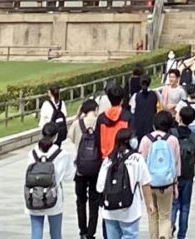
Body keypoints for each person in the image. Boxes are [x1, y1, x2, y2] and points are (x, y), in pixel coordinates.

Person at [25, 121, 73, 239]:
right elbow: (70, 176)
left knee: (36, 231)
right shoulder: (62, 154)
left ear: (42, 134)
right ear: (56, 136)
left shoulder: (32, 153)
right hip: (54, 197)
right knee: (56, 233)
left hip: (34, 196)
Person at [96, 128, 147, 239]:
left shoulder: (108, 159)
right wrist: (150, 204)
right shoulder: (137, 159)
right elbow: (145, 182)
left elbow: (99, 186)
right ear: (128, 141)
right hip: (130, 209)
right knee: (130, 235)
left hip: (109, 210)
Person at [138, 110, 180, 239]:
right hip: (167, 183)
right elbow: (177, 165)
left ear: (154, 124)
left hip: (149, 184)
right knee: (165, 215)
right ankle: (164, 235)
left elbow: (140, 163)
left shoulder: (146, 140)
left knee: (152, 215)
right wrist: (175, 185)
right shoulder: (173, 140)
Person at [70, 99, 104, 239]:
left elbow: (70, 138)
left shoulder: (78, 124)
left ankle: (82, 230)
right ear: (95, 109)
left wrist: (78, 117)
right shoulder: (100, 123)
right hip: (96, 167)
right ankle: (91, 232)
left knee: (81, 200)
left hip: (81, 168)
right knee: (94, 202)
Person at [171, 106, 195, 239]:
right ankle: (181, 235)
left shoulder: (172, 133)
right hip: (188, 175)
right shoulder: (193, 136)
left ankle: (169, 228)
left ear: (180, 117)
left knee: (173, 205)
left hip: (173, 175)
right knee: (185, 206)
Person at [97, 86, 132, 159]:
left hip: (106, 157)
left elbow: (97, 140)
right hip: (122, 156)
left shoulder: (101, 118)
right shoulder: (128, 116)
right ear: (122, 100)